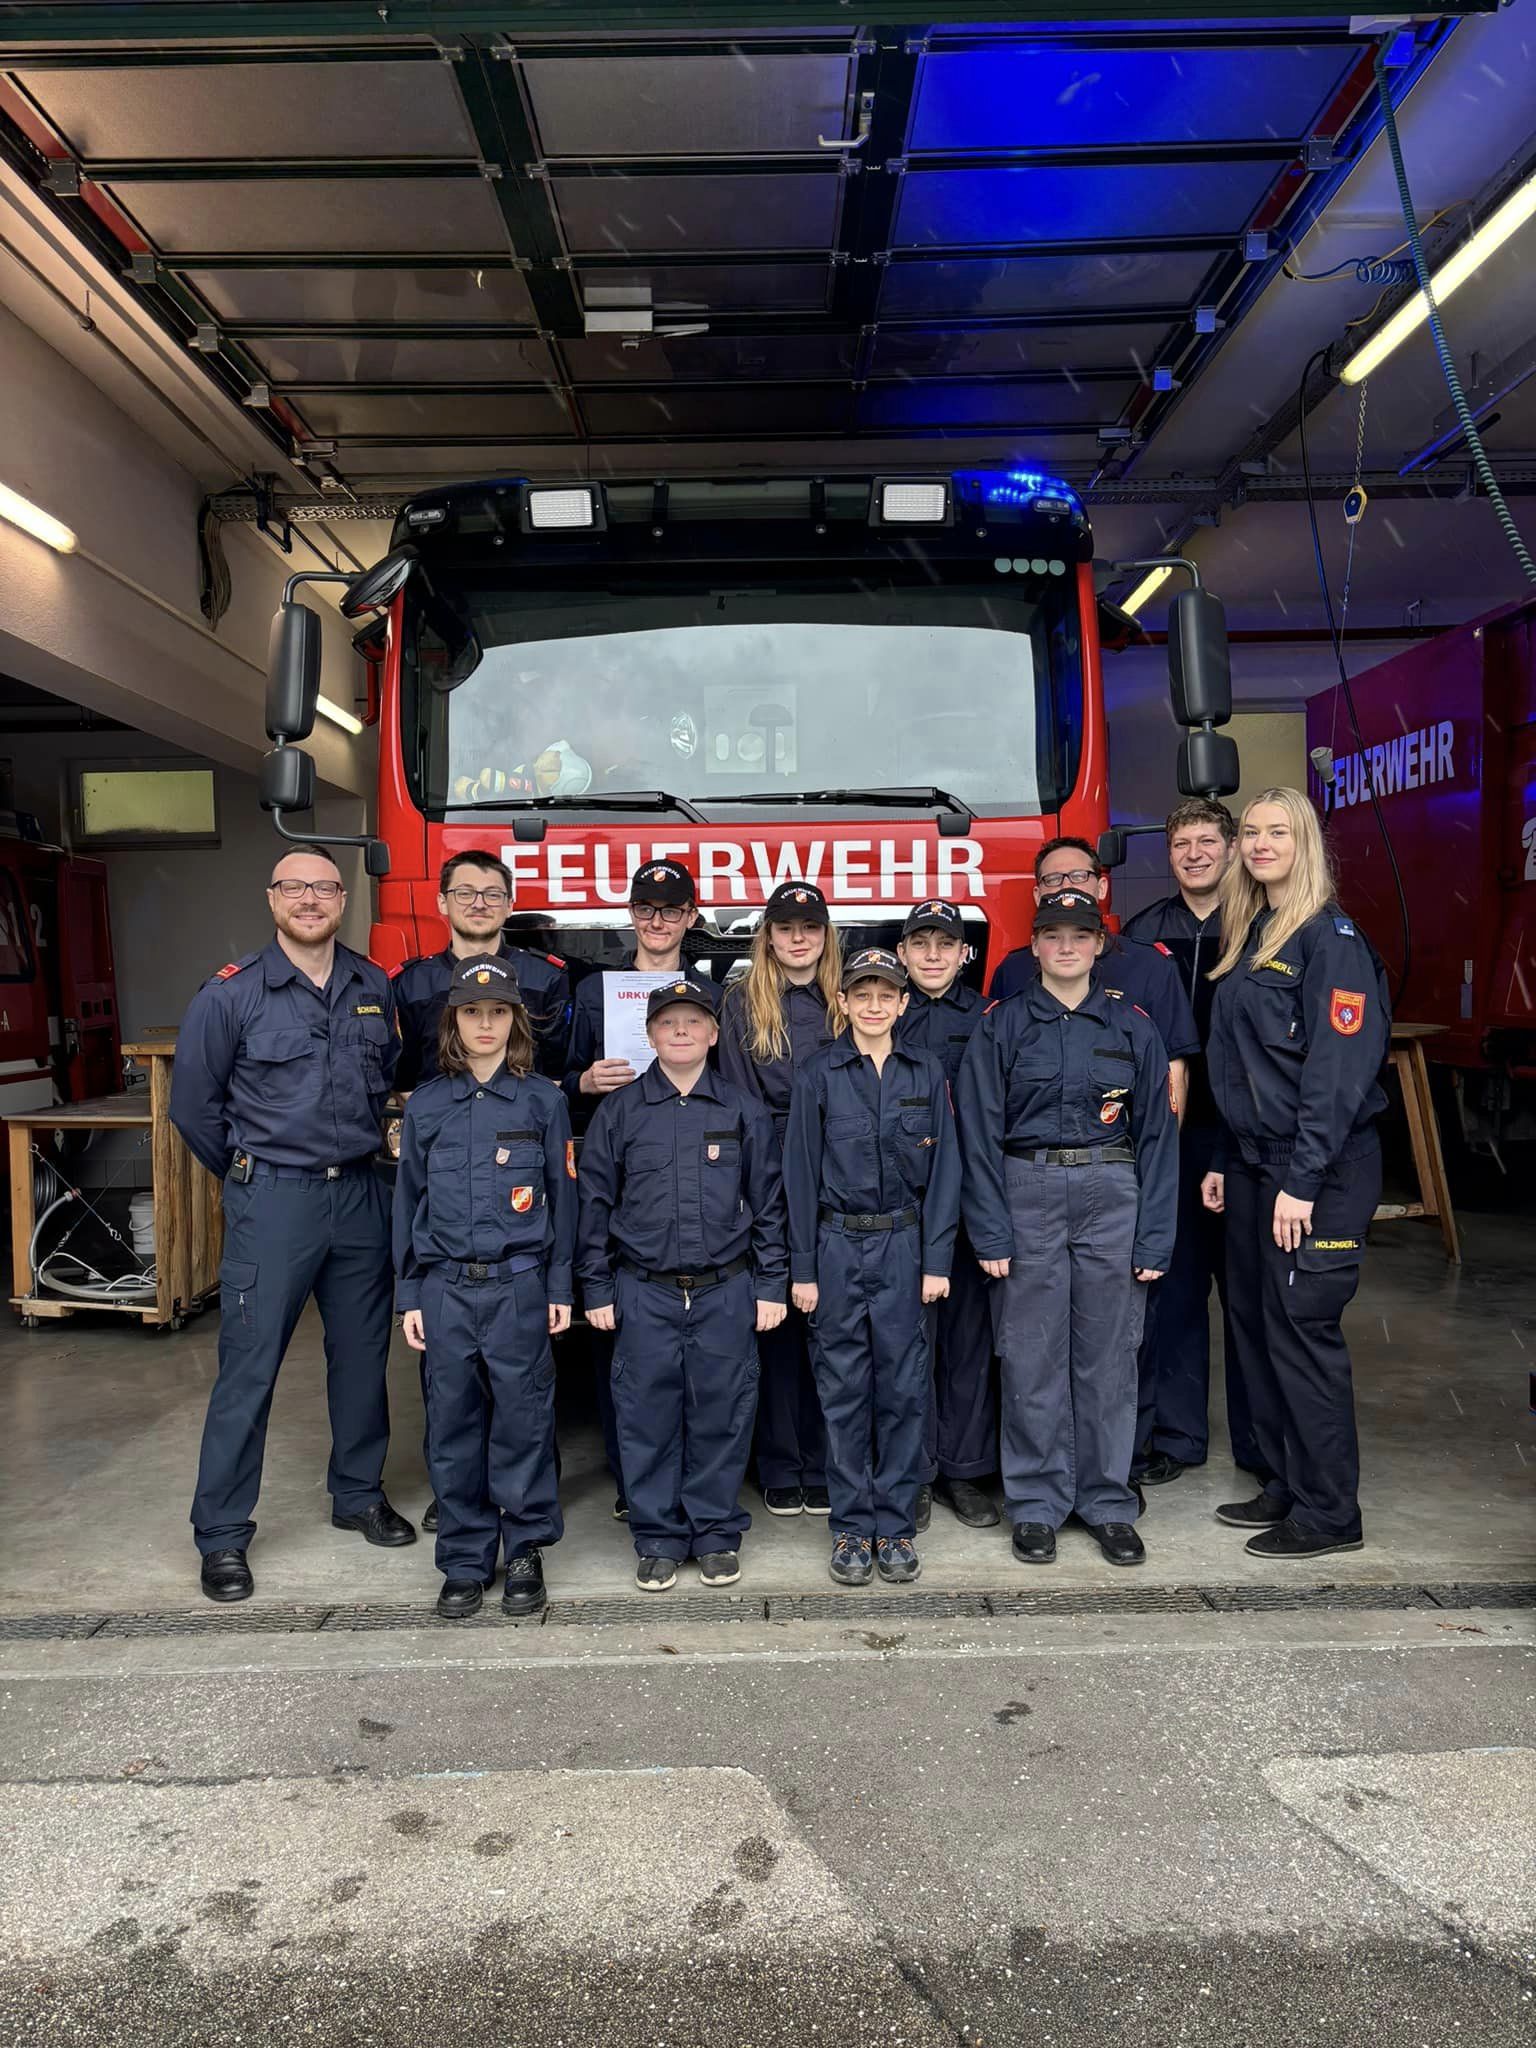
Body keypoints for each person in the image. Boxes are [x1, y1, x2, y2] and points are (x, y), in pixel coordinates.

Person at [170, 844, 414, 1604]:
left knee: (362, 1359)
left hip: (362, 1195)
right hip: (275, 1201)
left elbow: (387, 1079)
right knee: (250, 1367)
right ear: (272, 898)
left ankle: (358, 1495)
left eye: (325, 889)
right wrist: (254, 1175)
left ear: (343, 901)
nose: (310, 900)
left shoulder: (372, 984)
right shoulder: (230, 994)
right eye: (294, 888)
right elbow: (194, 1108)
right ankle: (222, 1533)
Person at [957, 889, 1178, 1569]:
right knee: (1031, 1353)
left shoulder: (1133, 1027)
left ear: (1098, 944)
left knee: (1109, 1353)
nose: (1066, 947)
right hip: (1026, 1190)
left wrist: (1155, 1236)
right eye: (1052, 935)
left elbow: (1157, 1138)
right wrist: (990, 1230)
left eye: (1079, 936)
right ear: (1034, 946)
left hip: (1112, 1192)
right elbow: (977, 1133)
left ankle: (1108, 1501)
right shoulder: (1001, 1025)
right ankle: (1035, 1502)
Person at [1201, 787, 1390, 1560]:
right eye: (1251, 831)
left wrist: (1302, 1182)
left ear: (1305, 842)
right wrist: (1225, 1159)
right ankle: (1285, 1481)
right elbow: (1240, 1065)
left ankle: (1330, 1511)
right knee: (1257, 1329)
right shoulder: (1253, 931)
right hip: (1254, 1166)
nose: (1260, 843)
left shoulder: (1329, 941)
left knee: (1303, 1334)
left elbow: (1335, 1077)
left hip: (1317, 1171)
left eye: (1278, 831)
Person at [576, 973, 788, 1591]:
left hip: (727, 1288)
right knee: (646, 1417)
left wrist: (771, 1284)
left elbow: (769, 1205)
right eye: (667, 1023)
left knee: (723, 1413)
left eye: (693, 1021)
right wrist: (596, 1288)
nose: (681, 1031)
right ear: (650, 1036)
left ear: (713, 1034)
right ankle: (659, 1537)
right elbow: (594, 1205)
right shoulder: (619, 1112)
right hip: (644, 1290)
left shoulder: (743, 1109)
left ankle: (716, 1533)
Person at [392, 848, 570, 1537]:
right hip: (445, 1287)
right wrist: (410, 1293)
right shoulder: (427, 1106)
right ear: (453, 1022)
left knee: (526, 1416)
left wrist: (559, 1285)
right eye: (472, 1013)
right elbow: (409, 1204)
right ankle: (463, 1559)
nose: (485, 1024)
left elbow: (562, 1201)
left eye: (498, 1012)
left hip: (519, 1282)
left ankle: (524, 1549)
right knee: (452, 1422)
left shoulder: (543, 1104)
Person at [785, 947, 960, 1586]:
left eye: (886, 994)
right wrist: (803, 1270)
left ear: (903, 1002)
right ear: (844, 1002)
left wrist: (936, 1260)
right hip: (836, 1246)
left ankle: (896, 1525)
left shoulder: (925, 1070)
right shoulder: (818, 1074)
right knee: (843, 1392)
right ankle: (852, 1527)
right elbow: (799, 1174)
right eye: (862, 994)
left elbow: (946, 1172)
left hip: (904, 1247)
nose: (874, 1005)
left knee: (904, 1391)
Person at [562, 857, 713, 1516]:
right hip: (620, 1170)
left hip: (693, 1176)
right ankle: (632, 1479)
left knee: (697, 1349)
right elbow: (560, 1075)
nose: (658, 921)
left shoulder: (711, 991)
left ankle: (697, 1483)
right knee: (620, 1340)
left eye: (671, 910)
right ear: (631, 914)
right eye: (646, 910)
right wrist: (584, 1082)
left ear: (690, 917)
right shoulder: (595, 989)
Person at [1121, 800, 1251, 1484]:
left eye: (1207, 841)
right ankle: (1176, 1436)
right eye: (1181, 844)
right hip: (1171, 1136)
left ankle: (1260, 1447)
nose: (1194, 854)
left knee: (1250, 1296)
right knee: (1172, 1291)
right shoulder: (1143, 935)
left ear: (1231, 848)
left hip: (1245, 1136)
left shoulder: (1261, 926)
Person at [717, 880, 844, 1517]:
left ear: (826, 936)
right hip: (768, 1173)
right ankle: (779, 1462)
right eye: (786, 927)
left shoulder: (845, 1000)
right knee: (775, 1323)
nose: (798, 938)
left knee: (831, 1323)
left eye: (810, 927)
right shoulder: (742, 1003)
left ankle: (823, 1461)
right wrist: (759, 1183)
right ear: (767, 936)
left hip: (838, 1173)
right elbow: (740, 1101)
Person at [894, 899, 999, 1530]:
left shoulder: (990, 1017)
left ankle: (964, 1470)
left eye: (945, 944)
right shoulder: (883, 1014)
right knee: (908, 1346)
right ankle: (914, 1472)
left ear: (965, 954)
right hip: (904, 1208)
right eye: (920, 943)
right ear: (902, 953)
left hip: (971, 1204)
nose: (932, 955)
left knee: (968, 1344)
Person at [989, 838, 1200, 1112]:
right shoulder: (1013, 969)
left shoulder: (1150, 965)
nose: (1066, 886)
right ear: (1038, 895)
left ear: (1102, 887)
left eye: (1079, 876)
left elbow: (1173, 1071)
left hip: (1121, 1133)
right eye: (1053, 879)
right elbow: (993, 1072)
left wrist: (1165, 1139)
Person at [393, 850, 569, 1090]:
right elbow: (404, 1083)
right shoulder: (411, 983)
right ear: (442, 902)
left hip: (525, 1114)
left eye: (492, 895)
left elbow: (555, 1076)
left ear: (509, 906)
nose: (479, 904)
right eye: (465, 894)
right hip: (437, 1115)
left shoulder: (545, 978)